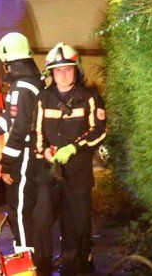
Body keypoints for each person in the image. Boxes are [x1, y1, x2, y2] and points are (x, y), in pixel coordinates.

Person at [31, 43, 107, 276]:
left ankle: (72, 270)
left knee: (75, 228)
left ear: (76, 70)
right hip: (48, 173)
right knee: (40, 223)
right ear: (51, 73)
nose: (63, 74)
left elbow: (99, 131)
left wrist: (73, 148)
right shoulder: (43, 98)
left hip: (77, 175)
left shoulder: (90, 98)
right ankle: (41, 269)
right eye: (58, 70)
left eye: (67, 69)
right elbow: (36, 132)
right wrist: (45, 151)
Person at [0, 31, 44, 253]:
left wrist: (6, 163)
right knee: (21, 205)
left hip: (25, 153)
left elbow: (19, 128)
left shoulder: (21, 88)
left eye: (4, 64)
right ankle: (25, 253)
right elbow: (10, 116)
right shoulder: (29, 83)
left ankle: (25, 256)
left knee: (21, 207)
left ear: (9, 62)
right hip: (29, 151)